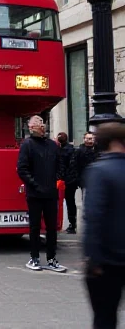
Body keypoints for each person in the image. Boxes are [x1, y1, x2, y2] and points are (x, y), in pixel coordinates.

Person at [83, 121, 125, 329]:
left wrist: (93, 258)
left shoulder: (99, 171)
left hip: (108, 260)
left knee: (105, 317)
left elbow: (93, 216)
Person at [16, 115, 66, 272]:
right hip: (35, 194)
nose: (42, 126)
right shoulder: (27, 145)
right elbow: (22, 169)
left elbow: (60, 165)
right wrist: (35, 184)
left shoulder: (52, 145)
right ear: (31, 128)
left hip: (51, 193)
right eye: (38, 124)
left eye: (42, 123)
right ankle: (34, 258)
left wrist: (56, 180)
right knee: (35, 227)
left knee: (52, 228)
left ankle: (52, 259)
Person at [56, 132, 79, 234]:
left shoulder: (61, 151)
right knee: (70, 202)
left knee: (64, 202)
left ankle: (70, 223)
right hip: (71, 180)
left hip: (64, 180)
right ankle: (72, 224)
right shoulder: (72, 150)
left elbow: (62, 167)